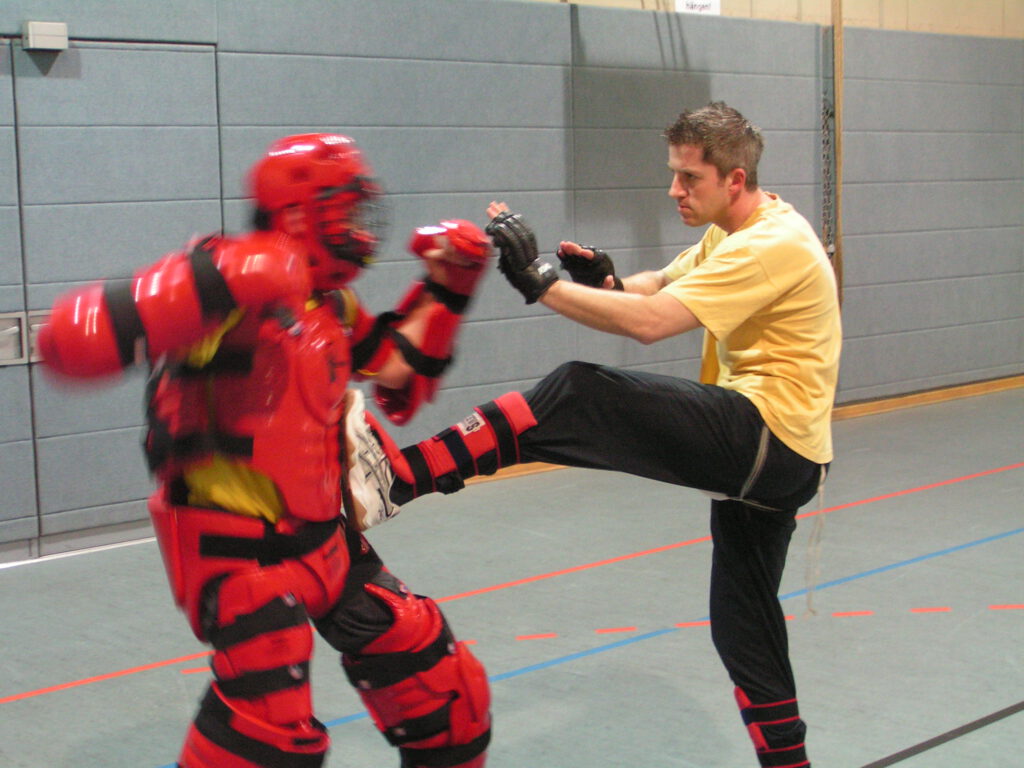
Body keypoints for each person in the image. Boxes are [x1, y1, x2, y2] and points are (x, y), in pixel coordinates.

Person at [371, 102, 841, 767]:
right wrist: (607, 282)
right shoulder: (734, 231)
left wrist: (541, 283)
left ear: (734, 180)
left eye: (689, 178)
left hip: (769, 439)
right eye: (673, 174)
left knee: (579, 392)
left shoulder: (771, 244)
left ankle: (396, 479)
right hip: (784, 458)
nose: (674, 190)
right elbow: (651, 289)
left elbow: (650, 322)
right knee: (744, 630)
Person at [37, 134, 494, 768]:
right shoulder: (230, 286)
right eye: (349, 212)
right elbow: (66, 341)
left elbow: (398, 372)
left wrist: (449, 288)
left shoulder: (329, 302)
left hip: (326, 542)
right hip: (241, 559)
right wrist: (224, 280)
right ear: (307, 213)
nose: (363, 229)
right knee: (265, 739)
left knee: (437, 683)